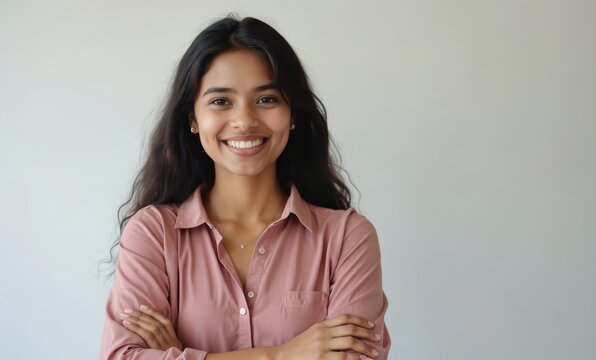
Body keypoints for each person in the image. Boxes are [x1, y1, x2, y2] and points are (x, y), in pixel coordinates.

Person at [100, 15, 390, 360]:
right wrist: (283, 355)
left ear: (292, 114)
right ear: (192, 118)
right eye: (221, 101)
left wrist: (177, 353)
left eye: (266, 99)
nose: (245, 120)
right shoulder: (153, 234)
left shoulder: (347, 238)